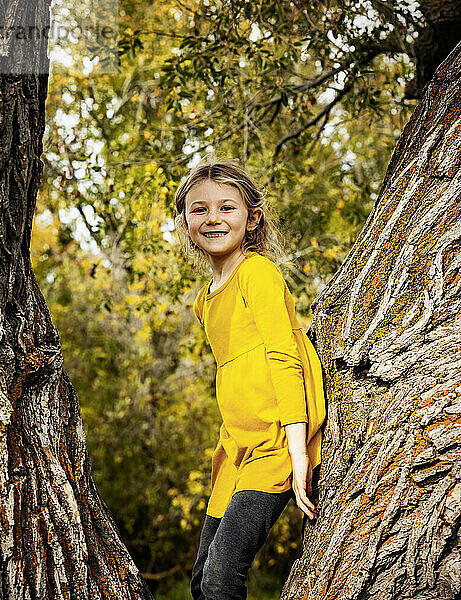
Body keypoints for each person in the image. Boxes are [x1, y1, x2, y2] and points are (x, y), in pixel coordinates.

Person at [174, 159, 327, 600]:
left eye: (227, 207)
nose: (214, 218)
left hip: (277, 445)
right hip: (236, 449)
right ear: (185, 223)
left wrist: (298, 451)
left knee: (223, 578)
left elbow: (283, 356)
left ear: (252, 217)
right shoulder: (205, 300)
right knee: (202, 580)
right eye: (199, 210)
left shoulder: (257, 274)